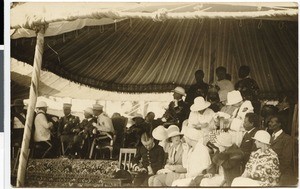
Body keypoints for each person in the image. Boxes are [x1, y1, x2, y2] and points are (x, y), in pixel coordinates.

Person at [268, 114, 295, 186]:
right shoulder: (270, 137)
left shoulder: (286, 139)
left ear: (279, 124)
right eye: (269, 122)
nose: (269, 124)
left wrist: (275, 172)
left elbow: (286, 160)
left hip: (282, 173)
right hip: (269, 170)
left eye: (272, 122)